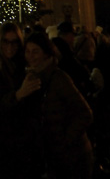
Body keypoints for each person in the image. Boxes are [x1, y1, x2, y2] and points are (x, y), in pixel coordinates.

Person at [25, 31, 93, 179]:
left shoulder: (58, 78)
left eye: (35, 51)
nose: (31, 56)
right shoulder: (33, 77)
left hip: (73, 157)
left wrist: (64, 142)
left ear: (46, 53)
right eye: (28, 51)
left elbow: (85, 113)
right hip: (54, 156)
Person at [0, 22, 42, 179]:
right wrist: (18, 94)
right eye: (6, 41)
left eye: (14, 41)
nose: (10, 46)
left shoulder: (23, 65)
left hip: (23, 139)